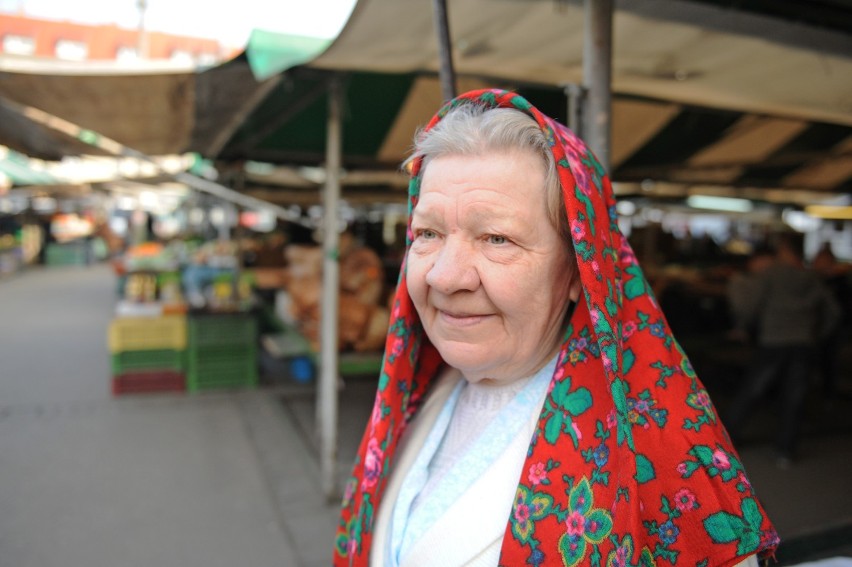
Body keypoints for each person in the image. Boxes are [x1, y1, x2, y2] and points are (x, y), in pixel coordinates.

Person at [334, 90, 778, 567]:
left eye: (496, 238)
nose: (444, 275)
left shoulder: (671, 470)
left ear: (577, 271)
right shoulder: (419, 400)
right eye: (428, 233)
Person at [725, 235, 840, 466]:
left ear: (786, 251)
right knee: (794, 397)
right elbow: (833, 312)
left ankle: (724, 440)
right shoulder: (812, 278)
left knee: (752, 390)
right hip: (803, 342)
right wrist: (816, 335)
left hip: (774, 340)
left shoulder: (773, 274)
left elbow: (751, 305)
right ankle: (785, 450)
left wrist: (743, 326)